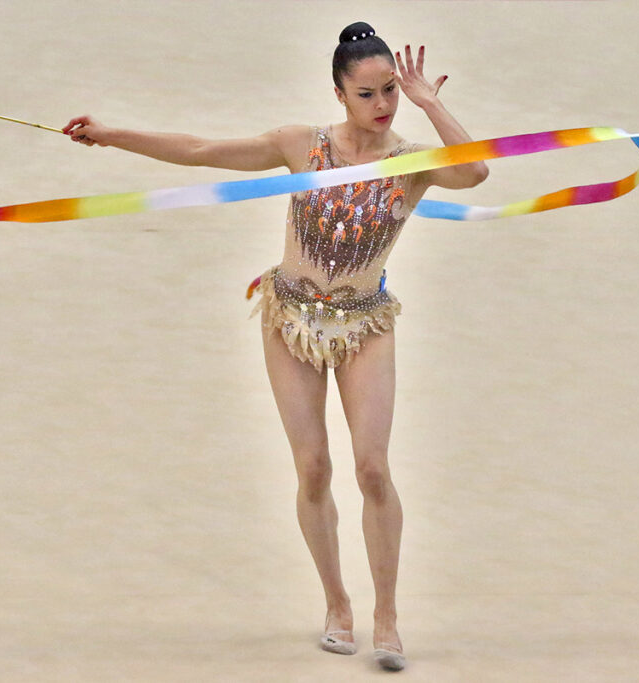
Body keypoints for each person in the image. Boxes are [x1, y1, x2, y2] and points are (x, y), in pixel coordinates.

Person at [63, 21, 488, 672]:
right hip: (290, 321)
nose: (383, 106)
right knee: (313, 467)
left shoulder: (409, 162)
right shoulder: (301, 145)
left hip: (365, 323)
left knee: (373, 468)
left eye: (391, 93)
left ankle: (387, 615)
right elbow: (203, 150)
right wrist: (111, 133)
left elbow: (476, 172)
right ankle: (338, 604)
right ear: (340, 93)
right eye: (369, 94)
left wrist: (431, 103)